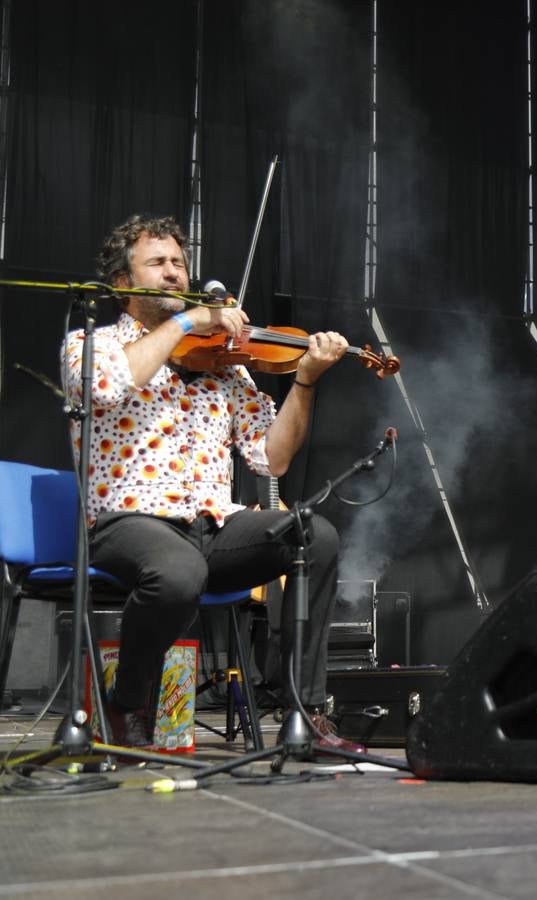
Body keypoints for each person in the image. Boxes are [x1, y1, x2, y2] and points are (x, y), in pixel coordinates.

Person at [61, 214, 362, 752]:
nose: (174, 273)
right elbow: (105, 388)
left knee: (316, 535)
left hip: (212, 524)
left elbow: (272, 459)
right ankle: (127, 703)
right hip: (128, 520)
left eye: (179, 262)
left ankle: (305, 711)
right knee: (178, 572)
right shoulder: (93, 344)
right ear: (124, 284)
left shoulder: (223, 364)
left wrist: (306, 380)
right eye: (158, 263)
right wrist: (186, 323)